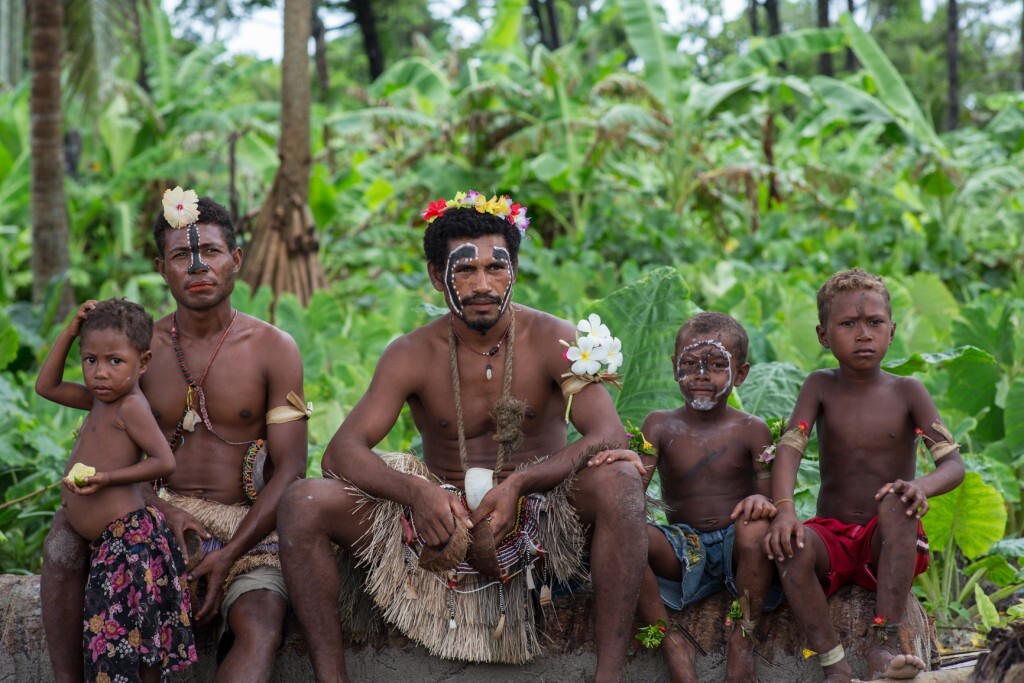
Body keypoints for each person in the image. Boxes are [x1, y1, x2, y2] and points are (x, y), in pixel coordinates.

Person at [277, 191, 648, 683]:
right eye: (463, 270)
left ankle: (610, 675)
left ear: (514, 269)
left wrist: (520, 484)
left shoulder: (554, 338)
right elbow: (341, 452)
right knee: (302, 500)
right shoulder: (411, 352)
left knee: (621, 478)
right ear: (436, 276)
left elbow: (608, 433)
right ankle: (331, 677)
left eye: (496, 268)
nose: (482, 285)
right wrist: (419, 493)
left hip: (542, 506)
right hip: (437, 518)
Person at [40, 188, 309, 683]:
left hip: (246, 530)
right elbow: (108, 446)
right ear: (162, 269)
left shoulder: (275, 348)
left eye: (210, 251)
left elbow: (291, 468)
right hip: (150, 522)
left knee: (263, 621)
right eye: (182, 255)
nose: (198, 266)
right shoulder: (136, 352)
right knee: (63, 535)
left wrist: (228, 555)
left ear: (237, 260)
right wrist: (162, 511)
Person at [763, 269, 965, 682]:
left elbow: (953, 465)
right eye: (848, 324)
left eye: (874, 323)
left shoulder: (908, 391)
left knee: (895, 501)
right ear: (823, 336)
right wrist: (784, 509)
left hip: (886, 539)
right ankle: (833, 663)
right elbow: (789, 448)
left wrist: (919, 487)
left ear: (891, 332)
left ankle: (884, 644)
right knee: (790, 548)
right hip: (831, 536)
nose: (863, 334)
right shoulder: (819, 386)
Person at [589, 311, 782, 683]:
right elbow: (635, 486)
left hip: (736, 545)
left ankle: (742, 643)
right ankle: (672, 644)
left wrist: (762, 503)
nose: (701, 375)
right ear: (674, 366)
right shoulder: (659, 424)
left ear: (740, 374)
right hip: (683, 546)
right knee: (628, 536)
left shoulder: (753, 429)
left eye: (716, 365)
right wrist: (626, 460)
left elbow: (770, 498)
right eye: (690, 364)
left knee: (755, 527)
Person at [36, 297, 198, 682]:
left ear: (142, 363)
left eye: (115, 361)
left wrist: (107, 478)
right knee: (116, 639)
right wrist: (70, 330)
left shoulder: (130, 407)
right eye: (90, 360)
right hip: (110, 544)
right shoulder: (98, 399)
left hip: (129, 543)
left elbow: (164, 461)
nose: (100, 374)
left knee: (131, 643)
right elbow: (46, 386)